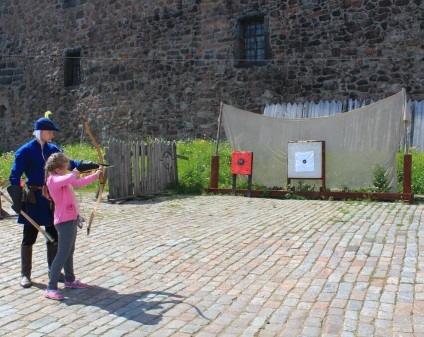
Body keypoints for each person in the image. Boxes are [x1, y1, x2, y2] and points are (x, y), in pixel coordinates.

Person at [8, 114, 99, 288]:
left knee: (53, 235)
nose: (52, 135)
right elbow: (14, 176)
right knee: (29, 236)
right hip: (33, 198)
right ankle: (25, 274)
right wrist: (17, 199)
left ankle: (53, 271)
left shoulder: (53, 148)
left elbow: (68, 163)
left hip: (51, 197)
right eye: (50, 132)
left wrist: (88, 165)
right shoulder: (25, 151)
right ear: (41, 131)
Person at [43, 152, 102, 300]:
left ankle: (70, 280)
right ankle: (51, 287)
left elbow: (77, 182)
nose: (68, 169)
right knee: (62, 253)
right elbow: (71, 177)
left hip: (71, 218)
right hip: (63, 221)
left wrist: (96, 175)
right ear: (57, 169)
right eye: (66, 167)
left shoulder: (63, 178)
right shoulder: (53, 180)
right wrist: (78, 168)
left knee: (69, 251)